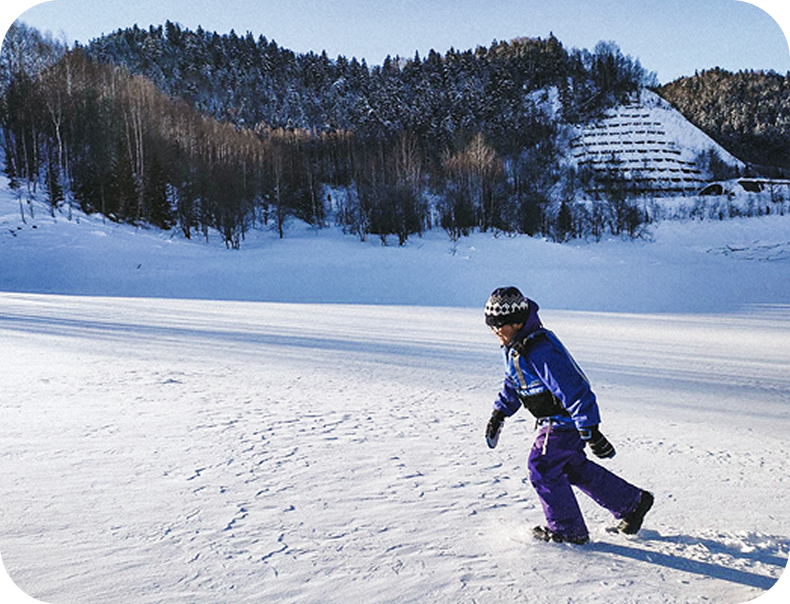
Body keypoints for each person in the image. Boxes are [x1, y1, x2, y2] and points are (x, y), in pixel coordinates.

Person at [483, 286, 653, 545]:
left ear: (517, 322)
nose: (495, 331)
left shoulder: (540, 349)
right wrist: (499, 413)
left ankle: (567, 530)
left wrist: (590, 429)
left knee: (541, 466)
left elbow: (574, 387)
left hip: (562, 421)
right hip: (555, 421)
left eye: (500, 326)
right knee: (572, 467)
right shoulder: (514, 347)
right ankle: (632, 503)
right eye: (491, 326)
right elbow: (513, 384)